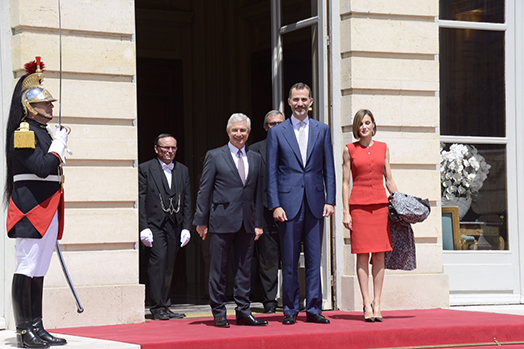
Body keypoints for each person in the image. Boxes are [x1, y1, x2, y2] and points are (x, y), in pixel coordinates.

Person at [4, 57, 69, 347]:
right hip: (31, 209)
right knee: (27, 266)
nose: (51, 107)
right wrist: (59, 146)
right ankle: (23, 331)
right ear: (31, 107)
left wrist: (55, 141)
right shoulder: (24, 133)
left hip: (48, 206)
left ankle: (37, 327)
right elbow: (42, 167)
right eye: (46, 104)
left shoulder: (43, 132)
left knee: (40, 269)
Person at [266, 83, 336, 325]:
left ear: (312, 102)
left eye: (304, 99)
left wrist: (331, 200)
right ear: (288, 102)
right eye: (296, 99)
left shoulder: (322, 130)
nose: (300, 104)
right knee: (290, 259)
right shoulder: (277, 132)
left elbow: (329, 168)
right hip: (288, 205)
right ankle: (290, 310)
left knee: (315, 259)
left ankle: (314, 308)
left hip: (316, 203)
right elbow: (271, 172)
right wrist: (275, 204)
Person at [193, 113, 267, 328]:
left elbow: (257, 193)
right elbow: (204, 190)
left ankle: (243, 311)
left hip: (247, 222)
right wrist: (201, 220)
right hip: (221, 221)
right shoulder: (215, 156)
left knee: (244, 269)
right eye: (235, 130)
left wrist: (259, 223)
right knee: (219, 269)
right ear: (228, 132)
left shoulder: (255, 158)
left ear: (249, 132)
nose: (239, 134)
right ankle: (218, 311)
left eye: (243, 130)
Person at [342, 109, 398, 322]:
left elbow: (389, 179)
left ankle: (378, 303)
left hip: (381, 207)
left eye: (367, 123)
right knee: (362, 256)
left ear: (373, 124)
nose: (364, 127)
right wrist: (346, 212)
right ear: (357, 128)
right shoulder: (349, 150)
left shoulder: (384, 148)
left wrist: (401, 201)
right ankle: (366, 304)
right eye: (360, 124)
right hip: (359, 207)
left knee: (380, 256)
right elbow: (346, 183)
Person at [139, 134, 192, 320]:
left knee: (170, 265)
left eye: (173, 148)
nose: (170, 152)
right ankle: (157, 306)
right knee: (158, 262)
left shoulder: (182, 170)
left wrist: (187, 226)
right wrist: (143, 227)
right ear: (156, 149)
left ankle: (166, 304)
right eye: (166, 148)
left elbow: (187, 200)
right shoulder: (145, 169)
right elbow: (141, 199)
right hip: (155, 224)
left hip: (175, 224)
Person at [249, 110, 284, 314]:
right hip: (264, 211)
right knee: (268, 259)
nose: (276, 127)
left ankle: (290, 300)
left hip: (290, 212)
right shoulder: (254, 150)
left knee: (289, 258)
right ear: (265, 127)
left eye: (280, 123)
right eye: (272, 124)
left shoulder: (294, 146)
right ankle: (269, 301)